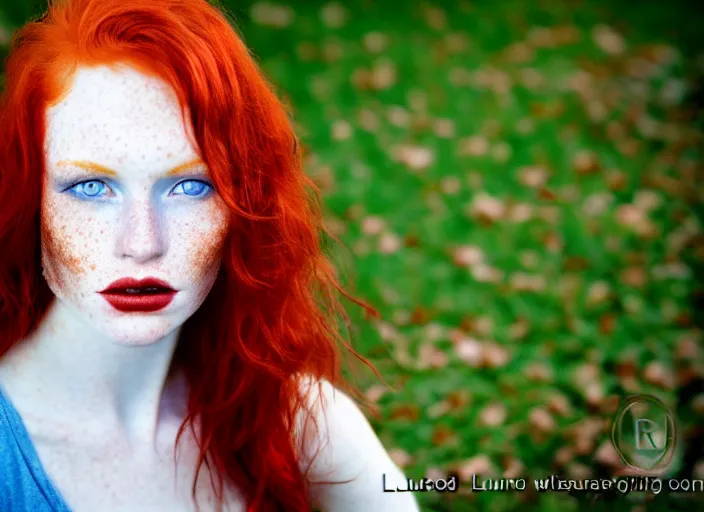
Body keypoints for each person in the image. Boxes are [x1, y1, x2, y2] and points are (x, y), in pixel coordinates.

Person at [0, 0, 419, 510]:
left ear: (243, 206)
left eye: (191, 186)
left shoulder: (298, 425)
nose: (142, 243)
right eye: (90, 186)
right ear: (28, 197)